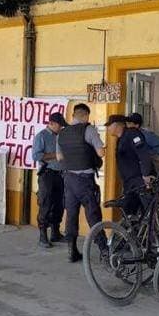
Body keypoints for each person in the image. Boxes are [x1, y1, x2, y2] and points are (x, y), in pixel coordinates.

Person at [57, 104, 105, 262]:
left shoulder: (61, 134)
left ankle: (72, 251)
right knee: (93, 214)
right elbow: (101, 152)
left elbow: (59, 158)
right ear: (85, 116)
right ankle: (104, 249)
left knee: (71, 215)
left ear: (73, 115)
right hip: (85, 180)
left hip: (68, 179)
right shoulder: (88, 129)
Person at [105, 115, 156, 219]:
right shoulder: (121, 139)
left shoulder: (132, 134)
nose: (107, 128)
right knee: (129, 211)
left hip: (140, 180)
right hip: (130, 183)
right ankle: (131, 233)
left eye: (109, 125)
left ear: (116, 125)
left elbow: (144, 155)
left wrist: (146, 175)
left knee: (150, 211)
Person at [31, 112, 68, 248]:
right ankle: (42, 235)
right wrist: (55, 155)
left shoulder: (61, 136)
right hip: (47, 174)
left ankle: (55, 232)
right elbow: (36, 155)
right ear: (51, 123)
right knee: (46, 204)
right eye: (59, 126)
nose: (61, 128)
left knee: (59, 204)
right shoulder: (41, 136)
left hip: (60, 175)